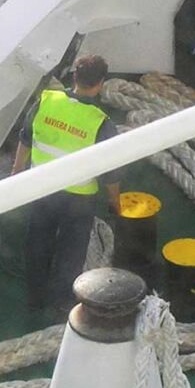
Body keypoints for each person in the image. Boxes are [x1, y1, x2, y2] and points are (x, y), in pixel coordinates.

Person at [11, 54, 122, 313]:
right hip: (78, 201)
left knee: (37, 242)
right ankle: (60, 305)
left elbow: (25, 138)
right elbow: (112, 174)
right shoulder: (100, 123)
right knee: (70, 255)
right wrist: (115, 204)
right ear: (100, 84)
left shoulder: (46, 101)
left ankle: (35, 298)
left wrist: (16, 173)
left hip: (43, 190)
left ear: (74, 77)